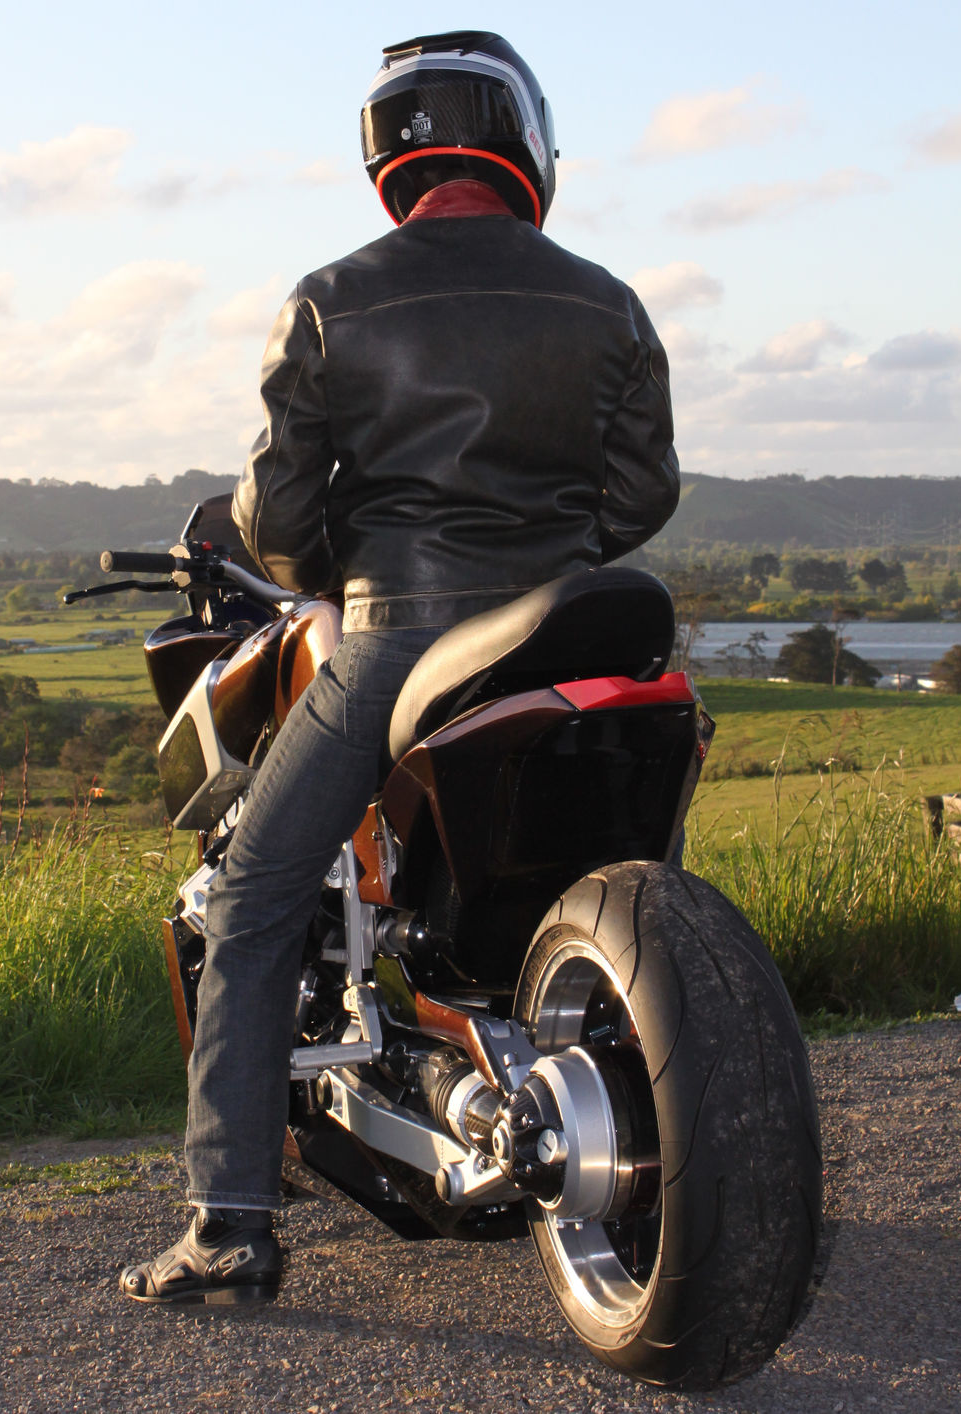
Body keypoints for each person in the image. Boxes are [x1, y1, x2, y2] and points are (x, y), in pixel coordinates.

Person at [119, 30, 680, 1305]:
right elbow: (642, 493)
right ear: (523, 141)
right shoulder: (606, 302)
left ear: (389, 159)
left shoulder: (331, 297)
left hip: (396, 643)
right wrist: (550, 546)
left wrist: (345, 563)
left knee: (253, 896)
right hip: (566, 631)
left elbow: (277, 522)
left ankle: (227, 1220)